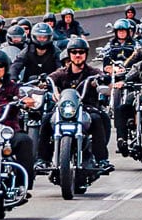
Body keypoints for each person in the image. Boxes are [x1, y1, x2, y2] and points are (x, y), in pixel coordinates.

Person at [48, 38, 113, 174]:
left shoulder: (92, 72)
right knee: (46, 119)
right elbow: (50, 78)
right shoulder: (62, 73)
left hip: (86, 108)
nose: (78, 55)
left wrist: (103, 80)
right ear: (69, 54)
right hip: (65, 109)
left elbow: (104, 78)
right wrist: (45, 82)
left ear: (86, 54)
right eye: (74, 52)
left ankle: (101, 159)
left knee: (98, 118)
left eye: (81, 52)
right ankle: (42, 158)